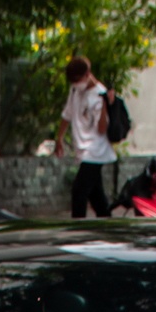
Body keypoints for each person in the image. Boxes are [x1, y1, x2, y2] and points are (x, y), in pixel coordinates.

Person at [56, 56, 116, 219]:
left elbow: (102, 129)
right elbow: (67, 114)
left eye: (78, 80)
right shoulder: (75, 90)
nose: (76, 84)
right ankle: (107, 223)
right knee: (96, 196)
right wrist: (59, 138)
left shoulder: (99, 94)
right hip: (83, 150)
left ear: (87, 74)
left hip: (95, 151)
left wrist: (105, 105)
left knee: (79, 191)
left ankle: (78, 228)